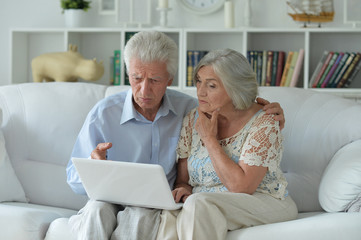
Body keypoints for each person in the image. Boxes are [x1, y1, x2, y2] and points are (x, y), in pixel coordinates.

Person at [66, 31, 286, 240]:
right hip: (108, 198)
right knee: (96, 210)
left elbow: (235, 105)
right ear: (127, 73)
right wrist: (94, 167)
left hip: (155, 206)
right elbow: (73, 178)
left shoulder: (190, 109)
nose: (144, 90)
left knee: (140, 215)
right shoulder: (103, 114)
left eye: (154, 80)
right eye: (136, 78)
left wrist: (262, 109)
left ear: (170, 79)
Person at [156, 49, 298, 240]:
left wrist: (209, 139)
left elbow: (242, 187)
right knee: (170, 215)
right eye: (199, 81)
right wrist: (184, 190)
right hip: (207, 204)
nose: (200, 91)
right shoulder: (193, 119)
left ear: (235, 88)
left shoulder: (265, 121)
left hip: (262, 200)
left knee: (198, 205)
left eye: (212, 85)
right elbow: (183, 180)